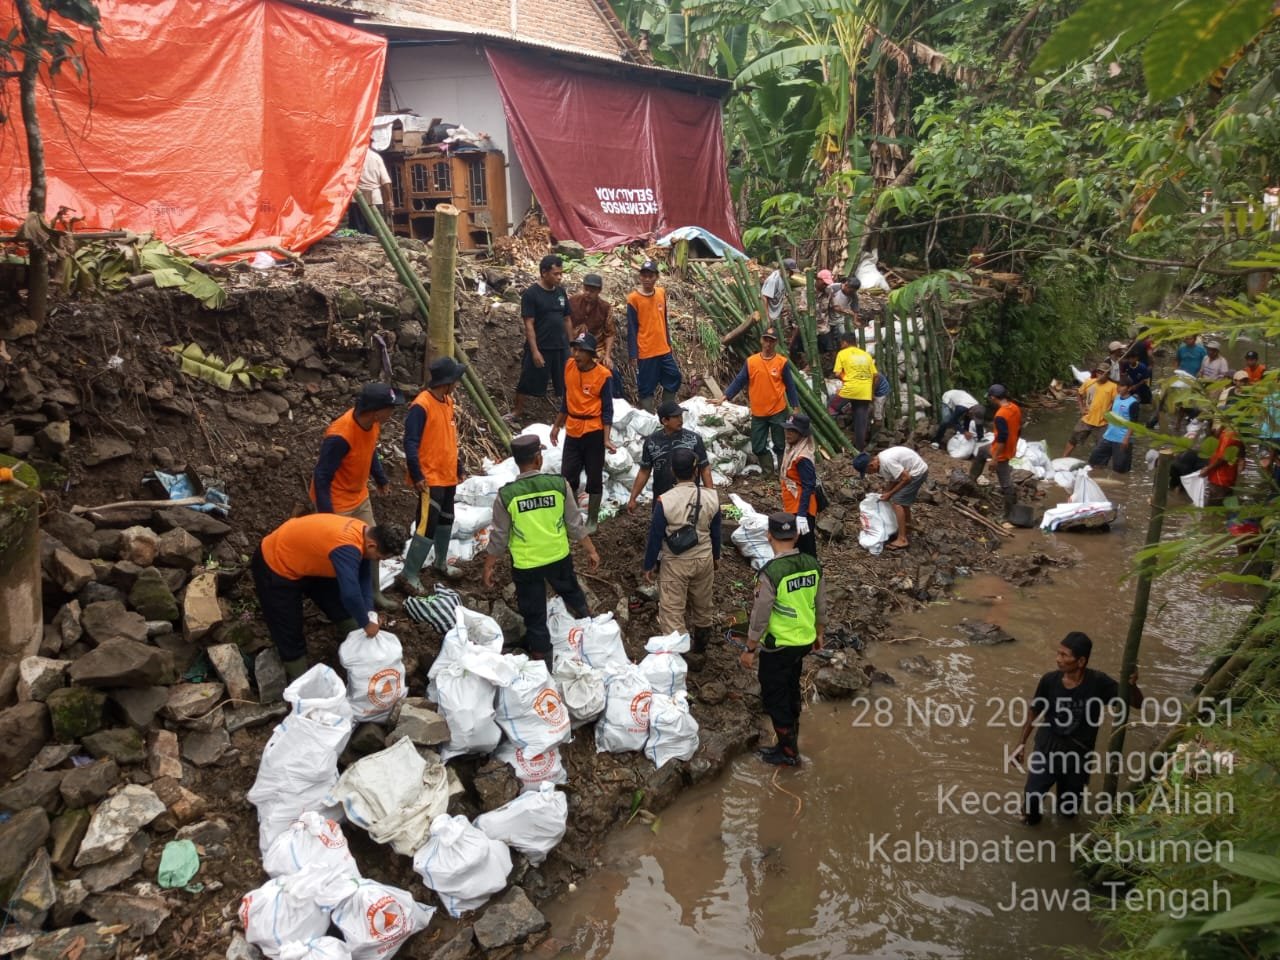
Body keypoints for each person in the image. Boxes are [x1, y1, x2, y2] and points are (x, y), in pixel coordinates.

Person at [483, 435, 600, 660]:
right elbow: (575, 524)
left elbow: (499, 536)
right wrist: (591, 550)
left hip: (527, 565)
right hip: (558, 557)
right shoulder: (558, 485)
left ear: (517, 462)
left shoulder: (506, 495)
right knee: (573, 594)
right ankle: (589, 632)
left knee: (534, 615)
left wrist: (489, 566)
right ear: (538, 459)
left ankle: (543, 664)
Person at [1011, 632, 1143, 826]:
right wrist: (1021, 744)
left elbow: (1136, 703)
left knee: (1068, 812)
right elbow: (1034, 711)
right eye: (1058, 653)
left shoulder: (1098, 683)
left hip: (1078, 756)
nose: (1058, 659)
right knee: (1030, 803)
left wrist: (1132, 686)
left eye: (1064, 655)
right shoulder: (1049, 681)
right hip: (1048, 748)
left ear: (1081, 661)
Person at [252, 514, 403, 680]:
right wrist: (366, 624)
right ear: (373, 545)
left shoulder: (365, 533)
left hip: (309, 558)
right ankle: (302, 682)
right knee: (288, 628)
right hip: (276, 564)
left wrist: (369, 613)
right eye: (379, 558)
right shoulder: (347, 548)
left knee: (338, 604)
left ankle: (357, 641)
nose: (379, 561)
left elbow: (364, 578)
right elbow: (351, 594)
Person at [739, 511, 826, 766]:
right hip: (804, 642)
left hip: (779, 646)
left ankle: (788, 753)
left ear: (768, 537)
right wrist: (820, 632)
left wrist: (749, 648)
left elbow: (761, 614)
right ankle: (791, 736)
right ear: (797, 535)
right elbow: (821, 603)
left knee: (774, 694)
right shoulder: (813, 564)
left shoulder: (770, 572)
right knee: (791, 685)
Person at [311, 382, 403, 610]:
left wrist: (380, 478)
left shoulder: (372, 425)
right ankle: (336, 604)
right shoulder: (340, 436)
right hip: (336, 500)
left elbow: (370, 451)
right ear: (375, 410)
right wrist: (327, 519)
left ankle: (373, 594)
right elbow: (322, 477)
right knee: (343, 553)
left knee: (373, 543)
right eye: (390, 409)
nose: (392, 413)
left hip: (359, 495)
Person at [641, 448, 722, 660]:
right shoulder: (712, 497)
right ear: (696, 471)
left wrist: (649, 565)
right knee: (703, 605)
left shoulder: (664, 501)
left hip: (675, 562)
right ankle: (701, 649)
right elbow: (716, 532)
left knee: (672, 611)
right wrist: (715, 557)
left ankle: (680, 659)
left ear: (672, 471)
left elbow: (655, 537)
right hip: (704, 558)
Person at [402, 357, 465, 592]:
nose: (457, 384)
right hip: (430, 476)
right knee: (427, 524)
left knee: (446, 519)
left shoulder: (447, 401)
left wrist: (457, 464)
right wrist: (416, 474)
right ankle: (409, 574)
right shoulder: (421, 406)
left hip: (447, 473)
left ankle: (440, 562)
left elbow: (448, 437)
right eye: (455, 381)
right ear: (446, 382)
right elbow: (410, 442)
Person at [550, 333, 615, 534]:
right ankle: (571, 516)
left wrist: (606, 439)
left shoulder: (603, 376)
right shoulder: (569, 367)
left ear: (590, 354)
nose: (576, 354)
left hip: (593, 431)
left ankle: (592, 519)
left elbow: (607, 410)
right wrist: (556, 426)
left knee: (594, 476)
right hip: (573, 429)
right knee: (568, 476)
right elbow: (566, 401)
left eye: (580, 351)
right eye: (574, 349)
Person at [714, 326, 798, 477]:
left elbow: (790, 386)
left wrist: (795, 406)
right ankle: (767, 471)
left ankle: (782, 473)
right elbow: (739, 381)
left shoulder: (782, 362)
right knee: (758, 446)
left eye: (771, 341)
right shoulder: (751, 362)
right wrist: (725, 397)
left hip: (778, 410)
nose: (768, 344)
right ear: (761, 340)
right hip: (758, 412)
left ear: (776, 342)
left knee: (780, 444)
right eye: (766, 339)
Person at [513, 254, 574, 420]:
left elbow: (567, 319)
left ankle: (570, 412)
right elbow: (529, 324)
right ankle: (517, 411)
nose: (559, 277)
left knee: (568, 381)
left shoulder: (561, 293)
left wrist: (572, 344)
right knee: (527, 379)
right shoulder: (531, 294)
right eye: (556, 274)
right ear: (544, 273)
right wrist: (535, 352)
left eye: (561, 273)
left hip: (561, 347)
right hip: (542, 346)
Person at [626, 399, 713, 512]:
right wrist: (633, 498)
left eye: (681, 415)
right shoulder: (652, 442)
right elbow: (644, 471)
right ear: (665, 421)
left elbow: (704, 468)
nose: (680, 420)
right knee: (660, 527)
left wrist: (711, 497)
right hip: (662, 498)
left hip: (689, 499)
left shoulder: (694, 439)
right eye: (676, 417)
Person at [627, 259, 681, 413]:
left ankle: (667, 412)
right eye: (644, 276)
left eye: (650, 276)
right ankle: (649, 417)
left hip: (663, 349)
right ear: (640, 277)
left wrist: (668, 343)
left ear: (656, 277)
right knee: (646, 386)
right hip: (646, 351)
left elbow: (663, 320)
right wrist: (633, 354)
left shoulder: (661, 293)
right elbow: (632, 327)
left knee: (674, 376)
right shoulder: (633, 299)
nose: (647, 279)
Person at [853, 446, 929, 550]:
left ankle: (902, 539)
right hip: (910, 472)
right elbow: (895, 477)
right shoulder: (880, 462)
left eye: (867, 472)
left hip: (917, 472)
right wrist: (886, 492)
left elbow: (906, 478)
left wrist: (890, 494)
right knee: (901, 501)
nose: (869, 474)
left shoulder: (887, 461)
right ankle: (907, 527)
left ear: (871, 465)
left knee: (897, 503)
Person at [970, 384, 1022, 520]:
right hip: (1009, 447)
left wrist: (994, 459)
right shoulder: (1014, 408)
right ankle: (971, 481)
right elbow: (1018, 429)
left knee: (1006, 483)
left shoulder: (1000, 415)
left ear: (993, 398)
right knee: (982, 451)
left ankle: (1009, 515)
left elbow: (1001, 438)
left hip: (1001, 452)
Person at [779, 413, 820, 557]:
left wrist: (802, 515)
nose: (788, 433)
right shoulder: (792, 450)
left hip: (802, 508)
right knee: (797, 547)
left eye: (793, 431)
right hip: (793, 505)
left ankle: (814, 574)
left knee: (806, 548)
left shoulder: (802, 458)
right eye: (787, 430)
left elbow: (809, 486)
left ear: (801, 434)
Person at [831, 328, 877, 450]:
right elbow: (875, 375)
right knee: (860, 421)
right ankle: (859, 449)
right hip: (865, 391)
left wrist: (845, 379)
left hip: (850, 389)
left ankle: (833, 439)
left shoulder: (842, 353)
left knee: (831, 408)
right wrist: (871, 393)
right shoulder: (866, 355)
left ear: (845, 342)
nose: (841, 345)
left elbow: (837, 373)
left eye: (841, 343)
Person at [569, 274, 617, 389]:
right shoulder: (572, 302)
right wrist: (570, 344)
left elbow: (610, 333)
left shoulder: (605, 307)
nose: (588, 293)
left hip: (596, 348)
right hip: (575, 345)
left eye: (592, 291)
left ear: (599, 291)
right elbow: (565, 324)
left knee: (609, 372)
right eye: (586, 289)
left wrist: (607, 356)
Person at [1062, 362, 1118, 458]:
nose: (1100, 374)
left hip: (1103, 422)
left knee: (1102, 446)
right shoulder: (1090, 382)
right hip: (1087, 418)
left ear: (1108, 374)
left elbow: (1116, 402)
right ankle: (1063, 458)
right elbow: (1079, 394)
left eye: (1103, 373)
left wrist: (1110, 414)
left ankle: (1098, 466)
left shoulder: (1113, 387)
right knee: (1073, 439)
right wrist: (1081, 408)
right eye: (1099, 372)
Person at [1087, 378, 1138, 473]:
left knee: (1120, 469)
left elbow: (1133, 423)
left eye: (1122, 386)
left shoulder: (1133, 403)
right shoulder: (1117, 397)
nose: (1119, 388)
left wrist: (1126, 439)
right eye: (1118, 385)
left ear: (1129, 388)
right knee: (1094, 460)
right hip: (1108, 436)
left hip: (1122, 439)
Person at [348, 141, 392, 234]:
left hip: (357, 200)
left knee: (357, 232)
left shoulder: (352, 157)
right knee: (375, 231)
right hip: (374, 199)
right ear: (370, 144)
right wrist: (389, 200)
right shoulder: (376, 157)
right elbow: (386, 181)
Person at [1200, 420, 1244, 506]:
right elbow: (1241, 451)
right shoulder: (1228, 432)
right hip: (1225, 476)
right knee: (1222, 505)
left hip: (1220, 477)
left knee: (1213, 507)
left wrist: (1207, 469)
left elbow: (1222, 458)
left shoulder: (1229, 435)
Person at [760, 257, 798, 324]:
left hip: (776, 311)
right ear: (785, 270)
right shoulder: (773, 280)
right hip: (769, 313)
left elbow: (785, 293)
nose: (792, 274)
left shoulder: (784, 278)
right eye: (791, 272)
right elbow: (764, 298)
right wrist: (767, 317)